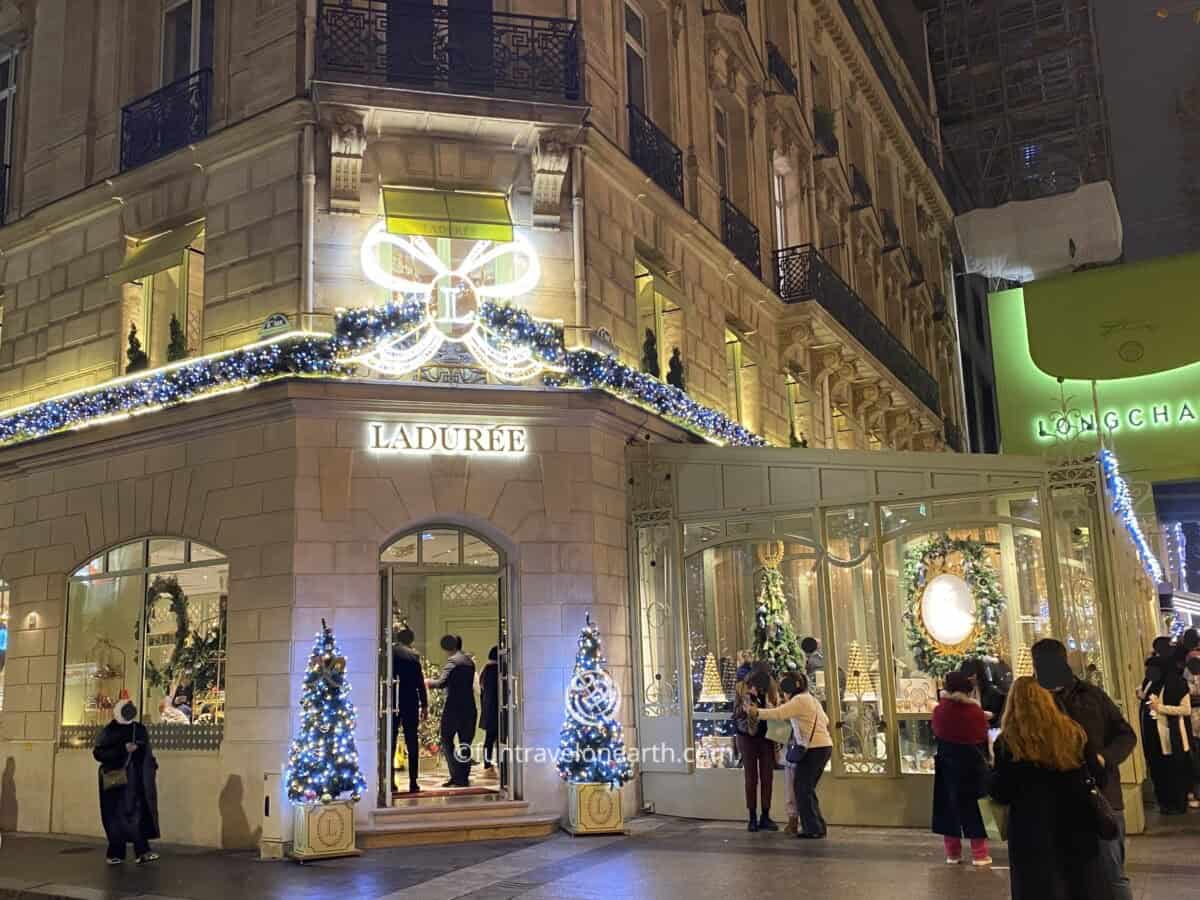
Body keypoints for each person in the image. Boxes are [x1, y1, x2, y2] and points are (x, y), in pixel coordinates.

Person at [990, 676, 1114, 900]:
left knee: (1037, 888)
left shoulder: (1009, 743)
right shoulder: (1073, 732)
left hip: (1031, 831)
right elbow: (1099, 775)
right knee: (1081, 885)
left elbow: (1001, 792)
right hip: (1077, 823)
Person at [1031, 638, 1135, 900]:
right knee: (1070, 878)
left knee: (1112, 875)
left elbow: (1125, 734)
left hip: (1101, 796)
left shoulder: (1091, 696)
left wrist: (1104, 758)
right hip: (1059, 803)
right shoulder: (1033, 703)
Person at [750, 671, 833, 839]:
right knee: (807, 789)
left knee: (802, 789)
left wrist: (756, 712)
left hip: (813, 749)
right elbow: (826, 720)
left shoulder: (799, 700)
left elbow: (779, 714)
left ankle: (813, 829)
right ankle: (817, 826)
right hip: (822, 746)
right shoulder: (811, 699)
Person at [931, 671, 991, 866]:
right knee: (976, 808)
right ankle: (980, 854)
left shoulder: (940, 711)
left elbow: (937, 732)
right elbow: (982, 736)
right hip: (973, 765)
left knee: (949, 807)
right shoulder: (975, 713)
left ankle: (953, 853)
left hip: (947, 765)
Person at [93, 692, 160, 865]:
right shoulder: (110, 731)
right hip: (116, 781)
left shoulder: (138, 729)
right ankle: (119, 852)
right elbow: (99, 753)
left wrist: (150, 765)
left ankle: (139, 851)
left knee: (135, 815)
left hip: (135, 781)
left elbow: (146, 751)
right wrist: (123, 750)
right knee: (117, 817)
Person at [1140, 650, 1192, 815]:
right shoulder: (1150, 683)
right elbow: (1145, 696)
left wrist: (1160, 708)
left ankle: (1177, 803)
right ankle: (1165, 802)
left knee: (1174, 770)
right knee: (1159, 769)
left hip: (1171, 735)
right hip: (1153, 735)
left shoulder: (1177, 684)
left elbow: (1186, 710)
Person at [425, 634, 477, 787]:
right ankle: (463, 777)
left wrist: (428, 682)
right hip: (469, 707)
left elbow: (441, 683)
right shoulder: (469, 662)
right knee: (465, 743)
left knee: (447, 741)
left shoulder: (452, 662)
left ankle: (456, 775)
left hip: (453, 708)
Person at [732, 669, 778, 832]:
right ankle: (752, 817)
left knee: (767, 777)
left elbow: (776, 710)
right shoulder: (740, 689)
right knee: (751, 778)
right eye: (755, 685)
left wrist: (767, 704)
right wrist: (747, 704)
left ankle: (765, 816)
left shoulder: (770, 689)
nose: (758, 689)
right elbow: (735, 714)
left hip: (766, 737)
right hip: (746, 737)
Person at [392, 627, 428, 793]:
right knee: (412, 741)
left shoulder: (391, 652)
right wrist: (424, 704)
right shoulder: (414, 656)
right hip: (410, 701)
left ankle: (390, 781)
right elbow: (420, 682)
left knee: (390, 741)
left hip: (392, 701)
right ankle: (413, 782)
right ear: (411, 640)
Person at [959, 657, 1006, 724]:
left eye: (972, 675)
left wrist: (992, 715)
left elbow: (1000, 716)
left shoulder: (993, 693)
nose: (970, 679)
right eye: (967, 676)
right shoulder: (959, 692)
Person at [480, 646, 500, 774]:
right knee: (498, 738)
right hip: (496, 710)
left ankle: (487, 762)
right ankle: (498, 762)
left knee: (489, 738)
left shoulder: (485, 670)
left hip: (488, 709)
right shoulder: (497, 670)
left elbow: (481, 690)